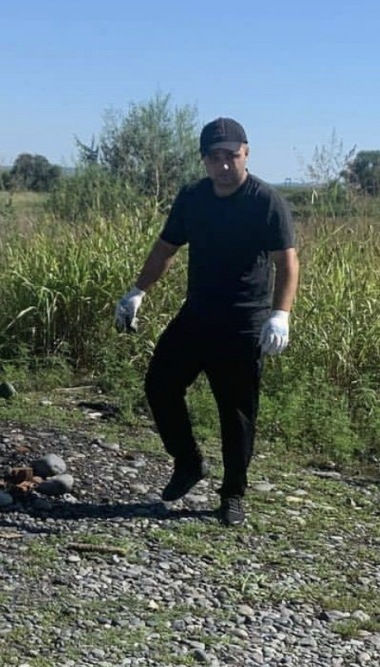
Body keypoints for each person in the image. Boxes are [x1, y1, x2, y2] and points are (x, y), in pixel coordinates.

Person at [115, 116, 299, 526]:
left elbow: (286, 262)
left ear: (246, 153)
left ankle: (232, 494)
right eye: (215, 158)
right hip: (197, 314)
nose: (224, 165)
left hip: (244, 322)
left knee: (235, 414)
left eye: (232, 156)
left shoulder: (265, 201)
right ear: (204, 160)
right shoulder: (193, 198)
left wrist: (280, 314)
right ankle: (188, 463)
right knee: (160, 384)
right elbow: (165, 248)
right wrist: (137, 291)